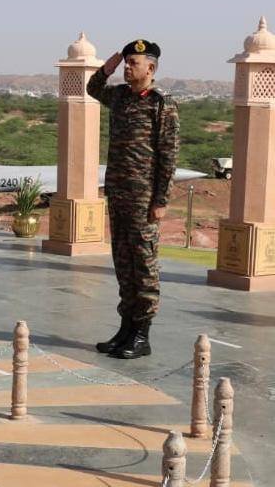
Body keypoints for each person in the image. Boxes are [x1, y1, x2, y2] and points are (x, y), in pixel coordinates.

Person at [87, 39, 179, 359]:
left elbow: (168, 155)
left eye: (133, 63)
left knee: (144, 265)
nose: (127, 68)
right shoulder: (120, 97)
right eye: (126, 63)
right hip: (119, 194)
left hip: (144, 199)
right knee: (123, 263)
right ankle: (125, 329)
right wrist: (108, 66)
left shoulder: (161, 103)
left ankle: (142, 334)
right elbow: (92, 88)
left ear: (150, 68)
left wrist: (161, 199)